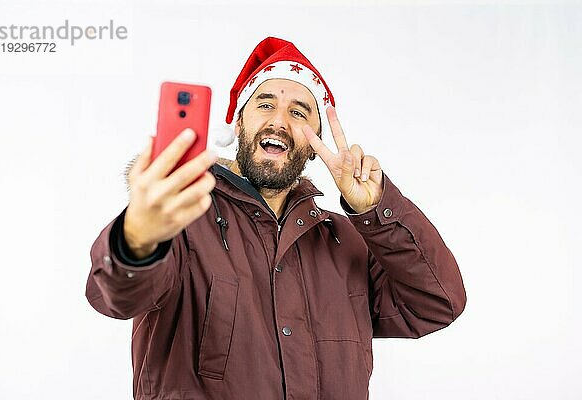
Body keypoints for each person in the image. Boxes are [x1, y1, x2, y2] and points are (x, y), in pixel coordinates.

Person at [86, 37, 466, 400]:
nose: (279, 121)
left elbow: (437, 303)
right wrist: (138, 235)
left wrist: (376, 211)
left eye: (299, 112)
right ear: (238, 124)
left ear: (315, 143)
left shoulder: (347, 240)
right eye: (265, 104)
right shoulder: (183, 217)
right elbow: (117, 295)